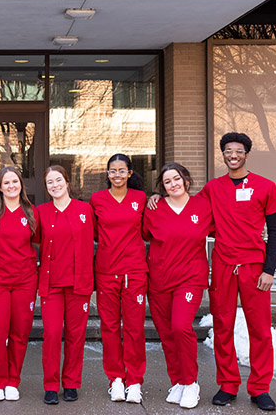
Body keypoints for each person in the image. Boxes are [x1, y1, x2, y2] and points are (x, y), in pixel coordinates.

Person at [204, 133, 276, 412]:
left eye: (238, 150)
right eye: (228, 150)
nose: (233, 155)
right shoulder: (213, 188)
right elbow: (190, 212)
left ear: (246, 154)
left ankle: (260, 388)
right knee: (222, 326)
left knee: (260, 329)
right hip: (224, 265)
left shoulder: (266, 186)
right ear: (223, 154)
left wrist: (269, 269)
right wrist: (157, 199)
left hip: (254, 266)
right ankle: (227, 384)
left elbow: (274, 232)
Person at [143, 163, 214, 410]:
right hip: (160, 279)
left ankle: (191, 382)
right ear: (162, 187)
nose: (173, 184)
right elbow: (143, 235)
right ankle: (178, 382)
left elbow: (225, 227)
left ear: (185, 179)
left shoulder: (203, 207)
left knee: (181, 326)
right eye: (167, 182)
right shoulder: (154, 208)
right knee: (166, 333)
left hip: (190, 278)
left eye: (176, 179)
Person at [89, 154, 148, 404]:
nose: (117, 175)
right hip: (106, 270)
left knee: (134, 328)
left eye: (121, 170)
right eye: (112, 171)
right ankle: (116, 379)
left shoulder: (141, 198)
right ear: (107, 174)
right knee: (110, 327)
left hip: (134, 270)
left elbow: (147, 229)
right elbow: (92, 232)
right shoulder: (97, 199)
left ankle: (134, 380)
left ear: (130, 173)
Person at [0, 166, 38, 402]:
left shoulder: (30, 211)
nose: (11, 186)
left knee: (20, 332)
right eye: (6, 182)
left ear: (20, 184)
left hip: (24, 279)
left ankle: (13, 380)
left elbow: (36, 240)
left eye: (15, 181)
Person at [36, 165, 94, 405]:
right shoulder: (40, 211)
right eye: (50, 182)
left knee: (75, 335)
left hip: (78, 282)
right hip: (51, 284)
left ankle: (71, 383)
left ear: (67, 182)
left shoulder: (85, 209)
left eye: (58, 180)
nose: (55, 185)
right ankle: (50, 385)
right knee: (51, 334)